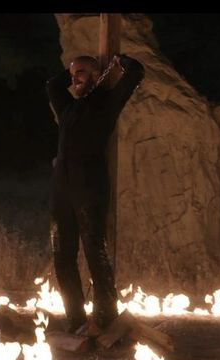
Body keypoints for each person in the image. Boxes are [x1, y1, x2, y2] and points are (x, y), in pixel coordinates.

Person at [46, 53, 144, 333]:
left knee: (94, 252)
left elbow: (136, 72)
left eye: (82, 73)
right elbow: (53, 85)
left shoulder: (107, 103)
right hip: (61, 190)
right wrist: (75, 70)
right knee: (62, 256)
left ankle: (106, 316)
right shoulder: (67, 108)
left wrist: (118, 61)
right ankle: (76, 320)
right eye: (73, 74)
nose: (75, 79)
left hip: (90, 189)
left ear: (97, 75)